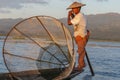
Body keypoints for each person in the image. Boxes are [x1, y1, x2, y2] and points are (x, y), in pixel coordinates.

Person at [67, 2, 90, 71]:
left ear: (78, 8)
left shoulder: (79, 16)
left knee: (80, 51)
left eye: (74, 9)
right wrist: (72, 15)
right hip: (81, 35)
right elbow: (75, 21)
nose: (73, 10)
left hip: (81, 36)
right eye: (72, 9)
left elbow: (69, 23)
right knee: (81, 51)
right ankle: (82, 64)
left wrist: (68, 15)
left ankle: (81, 66)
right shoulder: (80, 15)